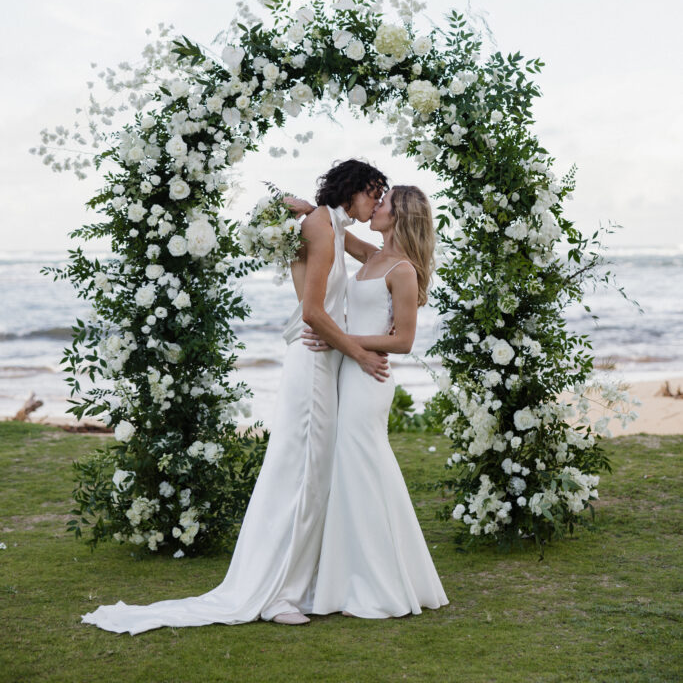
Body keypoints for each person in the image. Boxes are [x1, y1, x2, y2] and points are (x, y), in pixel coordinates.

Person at [81, 159, 389, 634]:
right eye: (373, 192)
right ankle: (277, 594)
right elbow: (311, 311)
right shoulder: (324, 225)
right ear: (352, 189)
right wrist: (361, 353)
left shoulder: (326, 222)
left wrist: (316, 211)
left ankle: (296, 582)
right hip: (313, 365)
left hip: (320, 362)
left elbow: (373, 257)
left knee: (310, 473)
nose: (377, 201)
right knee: (303, 474)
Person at [300, 186, 449, 618]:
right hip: (351, 368)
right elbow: (335, 232)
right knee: (349, 470)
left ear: (399, 215)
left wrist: (339, 339)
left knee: (363, 467)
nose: (375, 207)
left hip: (370, 377)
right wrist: (311, 210)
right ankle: (349, 574)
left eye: (383, 204)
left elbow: (402, 340)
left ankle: (379, 582)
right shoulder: (372, 256)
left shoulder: (402, 269)